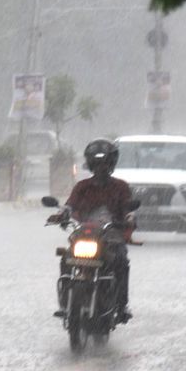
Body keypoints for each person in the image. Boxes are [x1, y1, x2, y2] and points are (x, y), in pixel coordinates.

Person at [48, 138, 134, 322]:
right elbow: (69, 205)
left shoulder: (121, 187)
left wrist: (128, 218)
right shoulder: (82, 187)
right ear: (91, 164)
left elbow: (127, 209)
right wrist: (61, 214)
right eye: (97, 163)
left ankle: (121, 305)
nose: (101, 168)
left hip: (111, 237)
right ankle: (65, 302)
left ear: (111, 164)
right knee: (66, 257)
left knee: (120, 260)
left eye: (105, 163)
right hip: (84, 235)